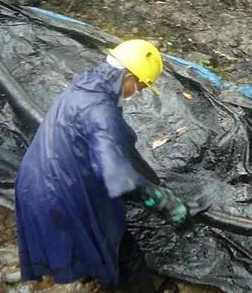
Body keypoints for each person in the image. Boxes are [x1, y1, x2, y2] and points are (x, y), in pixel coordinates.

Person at [15, 40, 187, 291]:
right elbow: (118, 175)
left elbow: (119, 148)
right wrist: (163, 201)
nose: (137, 91)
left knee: (94, 245)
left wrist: (151, 180)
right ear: (128, 76)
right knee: (124, 255)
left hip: (34, 182)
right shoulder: (101, 112)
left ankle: (94, 273)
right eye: (140, 85)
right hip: (63, 195)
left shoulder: (87, 85)